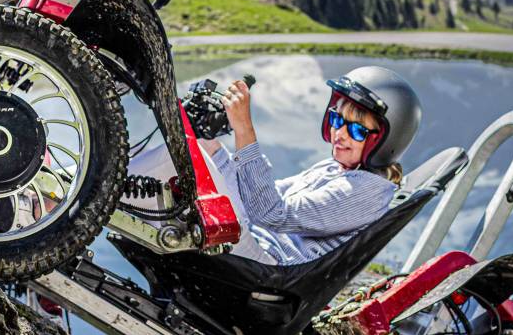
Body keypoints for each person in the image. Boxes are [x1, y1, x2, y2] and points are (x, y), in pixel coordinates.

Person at [126, 65, 420, 265]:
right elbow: (264, 196)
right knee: (202, 146)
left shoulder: (364, 192)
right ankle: (110, 187)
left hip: (267, 263)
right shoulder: (338, 169)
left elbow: (269, 212)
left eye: (356, 130)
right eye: (336, 120)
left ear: (385, 140)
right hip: (257, 241)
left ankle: (103, 189)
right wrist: (215, 144)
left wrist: (244, 131)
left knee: (187, 158)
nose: (339, 134)